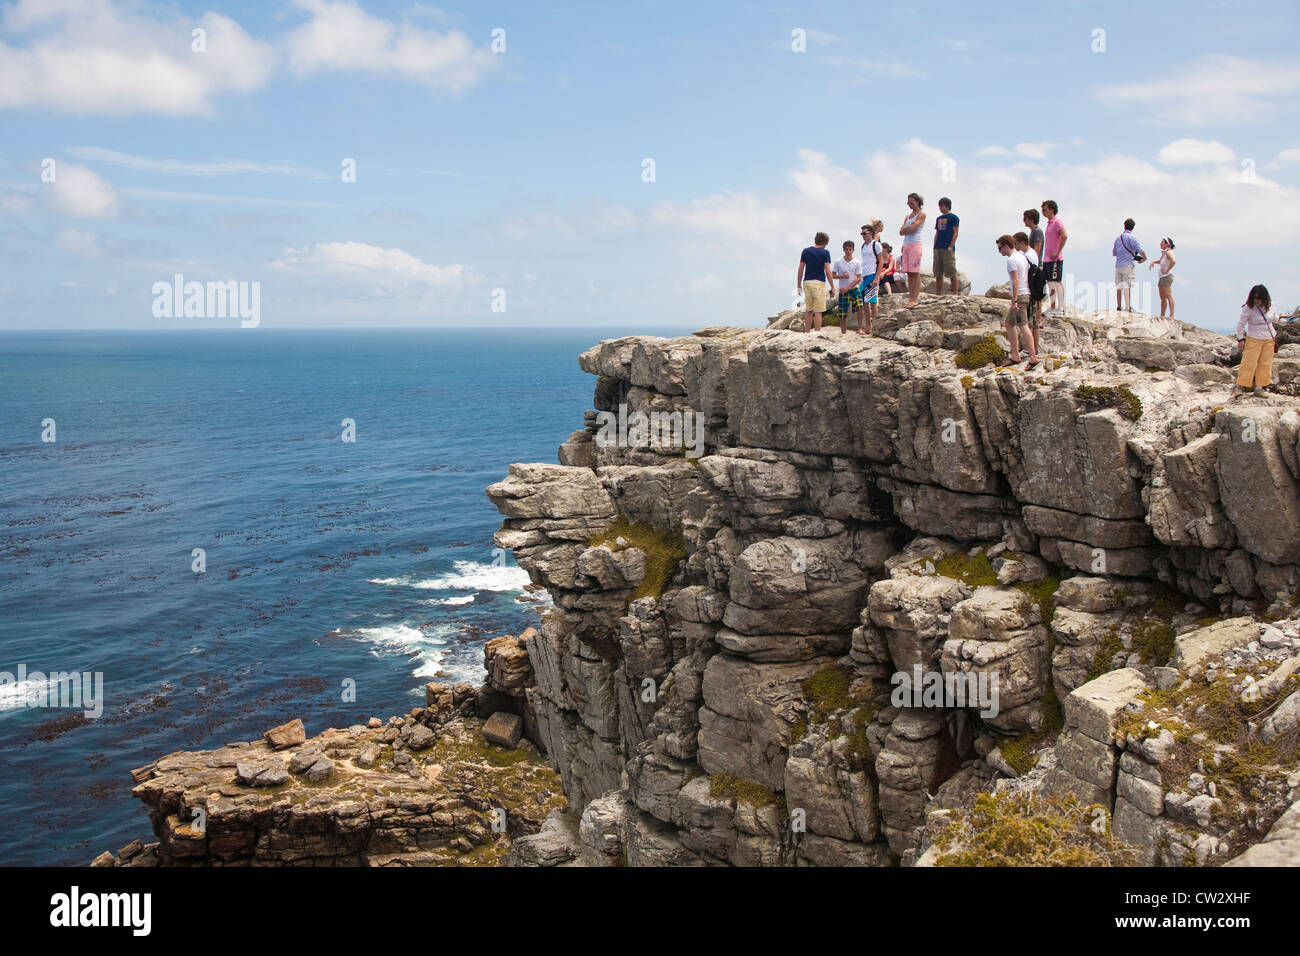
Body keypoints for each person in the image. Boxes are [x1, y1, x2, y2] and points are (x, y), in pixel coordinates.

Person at [997, 234, 1038, 369]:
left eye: (1000, 248)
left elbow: (1015, 280)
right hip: (1027, 294)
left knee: (1023, 325)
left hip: (1019, 296)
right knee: (1009, 323)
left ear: (1007, 246)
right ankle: (1015, 355)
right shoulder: (1022, 256)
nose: (999, 251)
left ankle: (1033, 357)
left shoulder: (1012, 260)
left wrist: (1014, 300)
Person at [1235, 284, 1279, 393]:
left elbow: (1274, 318)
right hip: (1254, 338)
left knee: (1265, 363)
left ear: (1264, 298)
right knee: (1249, 362)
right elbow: (1240, 324)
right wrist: (1241, 339)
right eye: (1254, 298)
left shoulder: (1271, 305)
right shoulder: (1248, 308)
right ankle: (1240, 386)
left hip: (1269, 338)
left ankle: (1260, 388)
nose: (1256, 301)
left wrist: (1286, 319)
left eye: (1259, 298)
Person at [1014, 231, 1046, 358]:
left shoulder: (1028, 255)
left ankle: (1029, 349)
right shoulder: (1032, 253)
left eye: (1016, 243)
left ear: (1021, 242)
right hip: (1033, 290)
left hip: (1029, 291)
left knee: (1029, 322)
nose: (1015, 246)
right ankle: (1034, 348)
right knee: (1034, 322)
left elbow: (1029, 274)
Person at [797, 232, 833, 332]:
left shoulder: (806, 251)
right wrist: (832, 286)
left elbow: (800, 269)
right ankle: (817, 333)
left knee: (808, 310)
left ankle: (807, 332)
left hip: (807, 282)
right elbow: (828, 271)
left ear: (815, 240)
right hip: (819, 282)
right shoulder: (825, 253)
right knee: (818, 311)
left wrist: (798, 285)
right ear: (826, 242)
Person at [1112, 218, 1146, 312]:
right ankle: (1128, 307)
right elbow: (1139, 249)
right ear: (1133, 228)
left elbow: (1114, 253)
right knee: (1127, 286)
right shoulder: (1132, 238)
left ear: (1124, 225)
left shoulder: (1118, 239)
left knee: (1119, 286)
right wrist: (1144, 258)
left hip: (1118, 265)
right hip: (1128, 265)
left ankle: (1119, 307)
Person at [899, 193, 926, 306]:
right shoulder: (908, 216)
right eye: (908, 203)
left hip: (915, 244)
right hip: (906, 244)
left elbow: (914, 228)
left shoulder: (921, 214)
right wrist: (907, 229)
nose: (909, 205)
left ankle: (915, 299)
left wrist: (907, 229)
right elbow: (901, 231)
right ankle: (910, 298)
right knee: (909, 273)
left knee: (915, 272)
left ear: (917, 202)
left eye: (912, 202)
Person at [1041, 200, 1067, 317]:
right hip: (1047, 259)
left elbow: (1064, 235)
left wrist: (1057, 251)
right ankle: (1052, 308)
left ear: (1052, 209)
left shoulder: (1057, 222)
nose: (1043, 211)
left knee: (1057, 282)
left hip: (1055, 259)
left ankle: (1061, 308)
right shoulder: (1049, 223)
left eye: (1044, 209)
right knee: (1050, 283)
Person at [832, 240, 864, 335]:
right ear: (843, 250)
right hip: (843, 289)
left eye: (850, 249)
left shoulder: (857, 262)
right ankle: (843, 332)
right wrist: (842, 276)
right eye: (846, 249)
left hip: (854, 288)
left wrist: (849, 286)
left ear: (853, 250)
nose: (848, 251)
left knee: (859, 307)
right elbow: (833, 275)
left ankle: (860, 328)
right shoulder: (838, 262)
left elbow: (859, 278)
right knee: (842, 311)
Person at [858, 222, 885, 333]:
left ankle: (876, 327)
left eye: (865, 233)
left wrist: (876, 277)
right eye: (862, 233)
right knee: (863, 302)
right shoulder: (863, 246)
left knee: (873, 303)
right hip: (864, 276)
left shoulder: (876, 244)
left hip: (872, 274)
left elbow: (881, 260)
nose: (863, 235)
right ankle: (868, 327)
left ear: (871, 233)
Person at [932, 197, 960, 296]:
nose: (940, 208)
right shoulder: (939, 219)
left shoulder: (954, 218)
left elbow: (956, 232)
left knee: (951, 270)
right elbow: (937, 232)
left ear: (947, 206)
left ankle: (955, 293)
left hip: (948, 247)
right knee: (938, 272)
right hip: (938, 247)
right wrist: (934, 246)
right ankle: (938, 294)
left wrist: (951, 245)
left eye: (942, 206)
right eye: (939, 206)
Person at [1023, 209, 1045, 329]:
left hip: (1036, 266)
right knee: (1033, 292)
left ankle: (1038, 319)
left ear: (1031, 219)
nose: (1023, 221)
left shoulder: (1037, 232)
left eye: (1025, 218)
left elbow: (1037, 248)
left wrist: (1031, 263)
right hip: (1033, 265)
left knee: (1036, 292)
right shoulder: (1033, 232)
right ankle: (1034, 318)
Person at [1149, 237, 1176, 319]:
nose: (1160, 244)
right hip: (1162, 277)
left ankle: (1171, 315)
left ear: (1167, 244)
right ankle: (1162, 315)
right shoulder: (1164, 253)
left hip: (1166, 276)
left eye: (1162, 242)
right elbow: (1161, 261)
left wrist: (1167, 270)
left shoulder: (1168, 252)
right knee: (1162, 297)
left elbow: (1173, 261)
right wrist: (1153, 262)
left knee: (1168, 296)